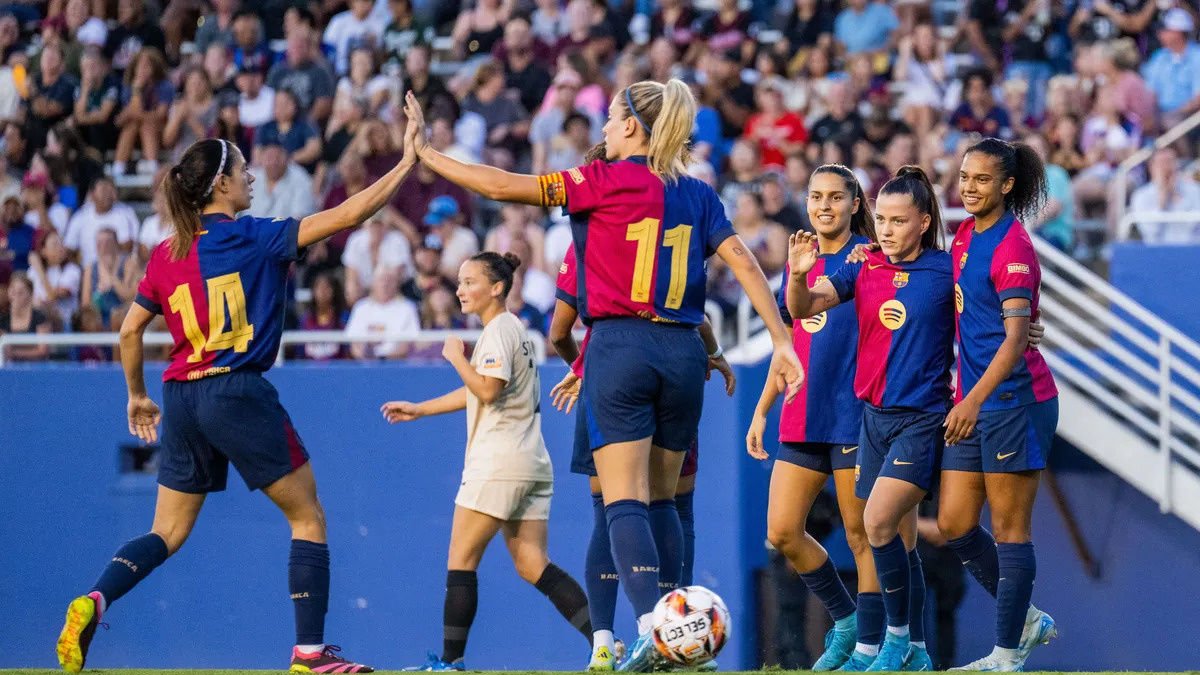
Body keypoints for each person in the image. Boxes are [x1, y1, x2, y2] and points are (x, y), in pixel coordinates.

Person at [401, 79, 803, 672]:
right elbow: (742, 258)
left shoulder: (599, 181)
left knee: (623, 504)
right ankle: (685, 635)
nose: (605, 129)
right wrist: (780, 337)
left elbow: (502, 185)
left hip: (620, 345)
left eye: (611, 119)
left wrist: (428, 155)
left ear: (633, 127)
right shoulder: (696, 192)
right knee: (665, 503)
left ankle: (652, 632)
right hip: (682, 349)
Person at [55, 136, 419, 674]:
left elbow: (130, 332)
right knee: (307, 516)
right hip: (236, 389)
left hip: (181, 395)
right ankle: (310, 657)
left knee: (167, 532)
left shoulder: (167, 251)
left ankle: (94, 600)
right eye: (243, 169)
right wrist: (407, 162)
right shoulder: (255, 237)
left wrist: (137, 395)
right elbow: (348, 214)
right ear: (220, 183)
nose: (251, 178)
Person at [382, 251, 593, 671]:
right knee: (534, 564)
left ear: (496, 288)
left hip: (497, 463)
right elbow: (482, 390)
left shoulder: (497, 331)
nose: (460, 289)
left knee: (461, 561)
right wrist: (421, 408)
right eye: (458, 281)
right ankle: (603, 641)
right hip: (530, 462)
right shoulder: (514, 329)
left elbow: (488, 390)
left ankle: (449, 663)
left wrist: (456, 357)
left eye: (469, 281)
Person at [785, 166, 953, 672]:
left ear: (923, 223)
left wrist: (1027, 326)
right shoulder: (865, 266)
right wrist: (797, 274)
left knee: (877, 525)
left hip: (921, 419)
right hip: (872, 420)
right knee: (895, 539)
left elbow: (990, 310)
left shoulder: (948, 270)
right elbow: (805, 307)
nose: (885, 229)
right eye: (881, 219)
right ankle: (915, 651)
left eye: (898, 221)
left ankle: (892, 641)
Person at [547, 241, 735, 670]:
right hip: (677, 368)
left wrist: (584, 371)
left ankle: (604, 642)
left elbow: (559, 332)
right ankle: (675, 638)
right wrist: (716, 354)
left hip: (611, 371)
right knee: (672, 505)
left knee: (609, 508)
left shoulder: (590, 234)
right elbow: (697, 316)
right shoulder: (676, 227)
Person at [745, 164, 896, 671]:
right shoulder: (799, 260)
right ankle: (847, 619)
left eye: (836, 196)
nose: (824, 205)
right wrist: (762, 410)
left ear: (856, 204)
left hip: (853, 416)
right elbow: (787, 346)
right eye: (816, 196)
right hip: (800, 414)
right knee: (783, 530)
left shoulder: (872, 259)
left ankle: (872, 647)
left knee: (862, 536)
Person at [940, 138, 1059, 671]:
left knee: (1012, 529)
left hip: (1014, 403)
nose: (968, 187)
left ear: (1007, 186)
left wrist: (970, 401)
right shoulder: (965, 233)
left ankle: (1007, 655)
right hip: (976, 401)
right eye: (965, 176)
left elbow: (1014, 342)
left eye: (982, 179)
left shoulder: (1013, 246)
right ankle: (1028, 618)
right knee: (954, 523)